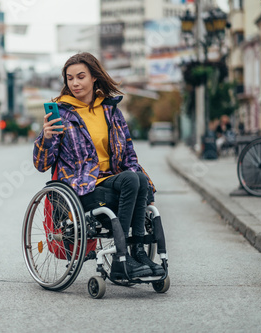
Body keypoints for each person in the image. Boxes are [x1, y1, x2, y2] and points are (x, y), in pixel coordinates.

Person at [32, 52, 163, 279]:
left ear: (94, 77)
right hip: (80, 189)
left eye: (81, 76)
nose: (75, 83)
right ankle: (121, 259)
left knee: (138, 178)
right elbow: (41, 164)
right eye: (70, 78)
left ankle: (138, 253)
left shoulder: (111, 111)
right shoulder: (61, 114)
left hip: (111, 183)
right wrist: (46, 137)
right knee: (131, 179)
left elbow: (129, 157)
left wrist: (149, 188)